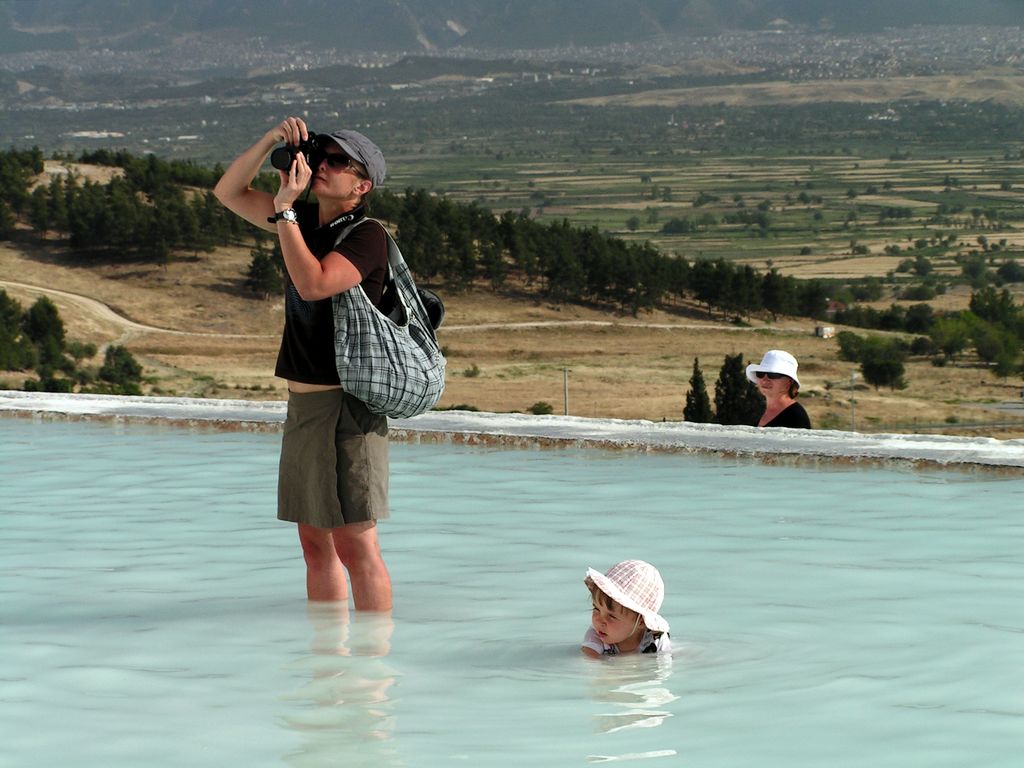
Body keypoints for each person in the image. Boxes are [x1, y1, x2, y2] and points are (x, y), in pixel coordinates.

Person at [214, 116, 392, 609]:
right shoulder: (303, 222)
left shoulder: (367, 235)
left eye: (339, 163)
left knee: (356, 545)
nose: (324, 167)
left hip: (347, 407)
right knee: (315, 545)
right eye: (322, 157)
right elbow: (229, 191)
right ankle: (327, 663)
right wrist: (272, 139)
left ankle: (375, 669)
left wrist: (286, 211)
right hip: (304, 405)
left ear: (362, 185)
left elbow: (314, 283)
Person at [582, 560, 671, 657]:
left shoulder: (656, 638)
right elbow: (589, 660)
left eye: (611, 616)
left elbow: (665, 664)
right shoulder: (596, 634)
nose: (600, 621)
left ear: (641, 621)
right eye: (596, 609)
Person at [746, 349, 811, 429]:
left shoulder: (796, 416)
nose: (765, 379)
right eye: (760, 374)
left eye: (773, 375)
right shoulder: (757, 411)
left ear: (789, 381)